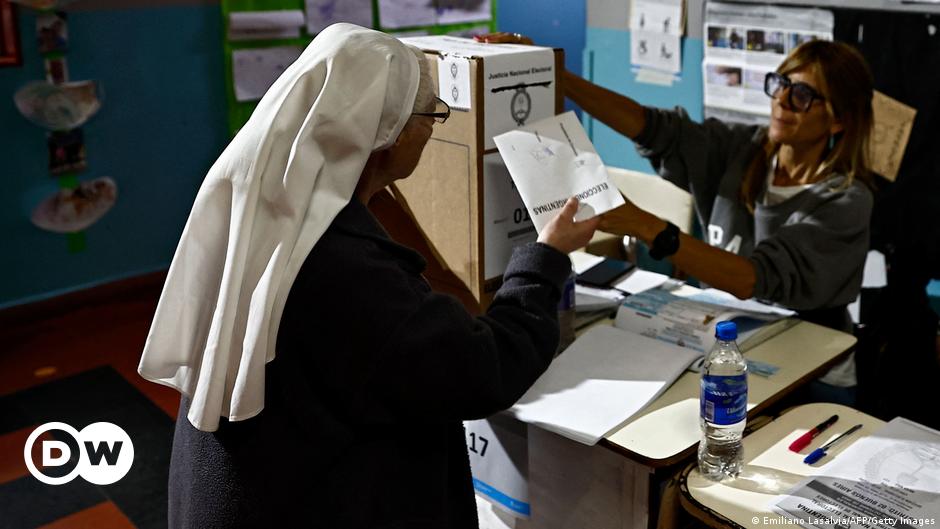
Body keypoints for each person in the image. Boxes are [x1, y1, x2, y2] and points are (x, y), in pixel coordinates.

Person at [138, 24, 599, 528]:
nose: (432, 129)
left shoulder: (262, 207)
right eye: (430, 115)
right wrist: (546, 256)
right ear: (389, 134)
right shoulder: (346, 271)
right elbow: (484, 371)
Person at [479, 34, 874, 405]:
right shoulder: (745, 148)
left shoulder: (845, 200)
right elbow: (653, 128)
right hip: (728, 344)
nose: (782, 101)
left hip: (812, 368)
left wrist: (643, 224)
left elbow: (751, 280)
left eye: (802, 95)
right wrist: (556, 75)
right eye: (780, 84)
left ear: (838, 120)